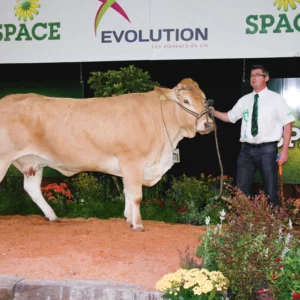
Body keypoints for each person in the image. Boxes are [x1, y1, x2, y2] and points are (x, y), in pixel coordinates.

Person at [212, 65, 295, 206]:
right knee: (241, 188)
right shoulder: (245, 100)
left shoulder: (276, 99)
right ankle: (240, 223)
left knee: (271, 189)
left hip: (267, 150)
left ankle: (274, 223)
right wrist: (212, 111)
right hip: (246, 151)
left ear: (266, 78)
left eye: (257, 75)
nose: (253, 78)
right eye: (251, 75)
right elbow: (229, 117)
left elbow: (287, 124)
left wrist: (285, 150)